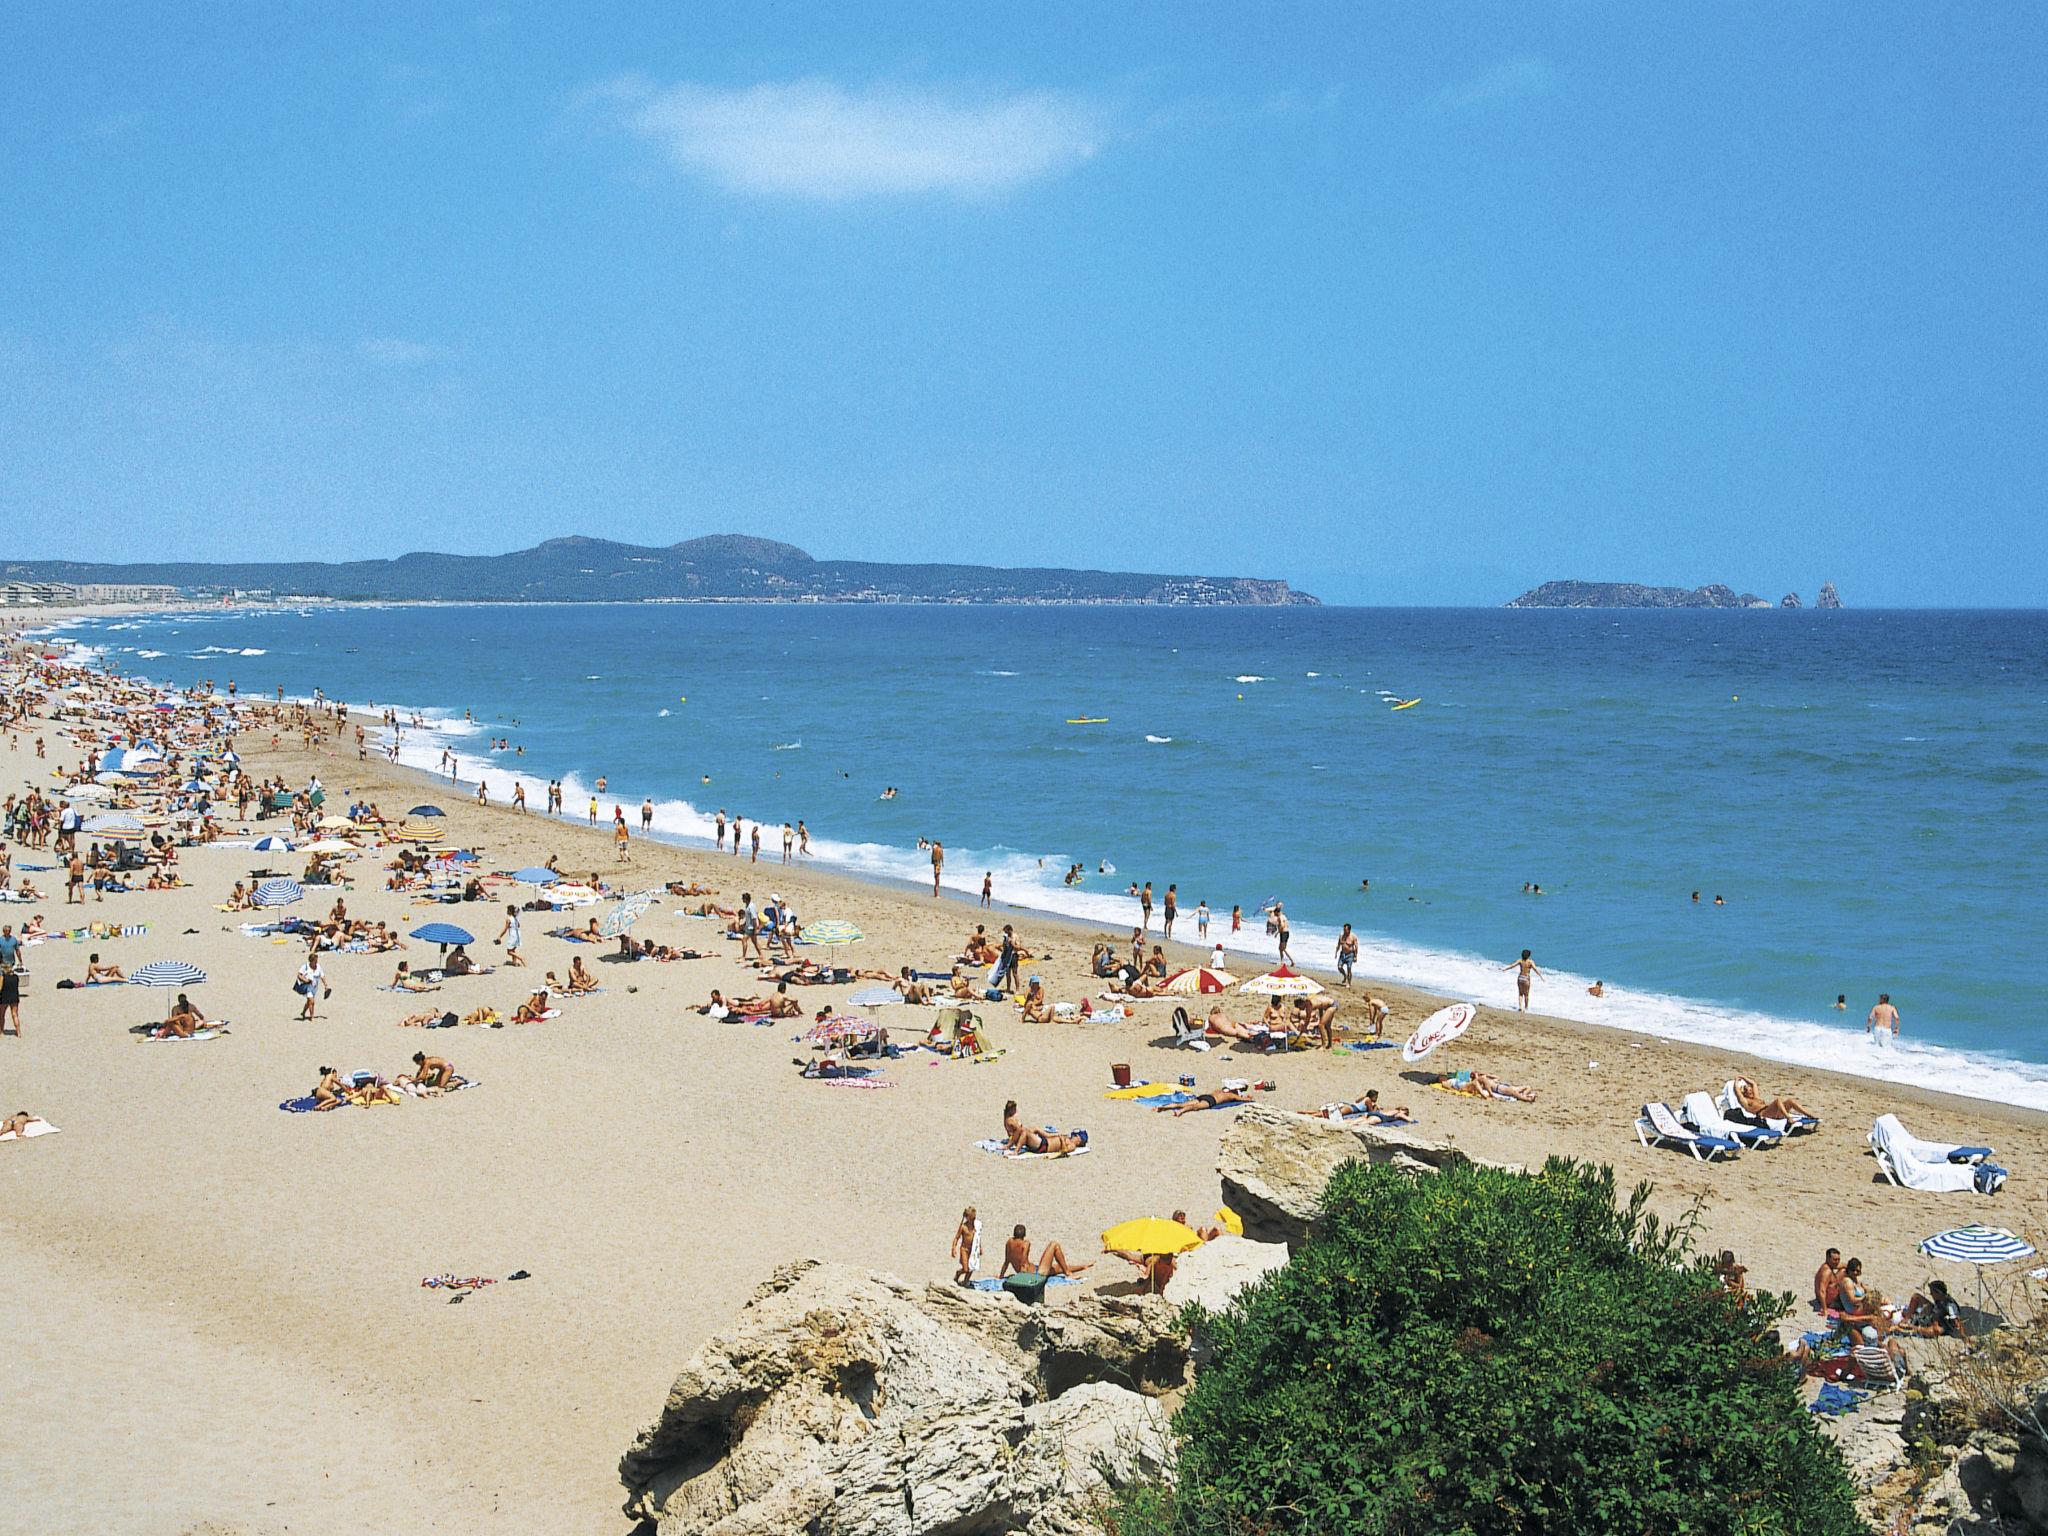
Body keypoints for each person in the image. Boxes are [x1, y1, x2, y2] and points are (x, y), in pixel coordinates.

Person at [1000, 1223, 1091, 1280]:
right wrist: (1025, 1280)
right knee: (1054, 1245)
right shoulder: (1025, 1244)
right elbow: (1023, 1263)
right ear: (1024, 1235)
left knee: (1058, 1268)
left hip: (1032, 1271)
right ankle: (1068, 1274)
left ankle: (1083, 1267)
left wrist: (1001, 1276)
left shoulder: (1009, 1242)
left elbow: (1006, 1262)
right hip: (1036, 1274)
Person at [1731, 1076, 1817, 1123]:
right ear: (1744, 1093)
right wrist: (1736, 1081)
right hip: (1763, 1114)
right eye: (1747, 1091)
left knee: (1791, 1101)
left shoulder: (1756, 1097)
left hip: (1773, 1112)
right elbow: (1737, 1091)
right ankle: (1788, 1118)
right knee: (1778, 1100)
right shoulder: (1746, 1101)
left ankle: (1809, 1115)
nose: (1750, 1091)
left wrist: (1742, 1077)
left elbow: (1754, 1084)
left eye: (1750, 1090)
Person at [1158, 1087, 1254, 1116]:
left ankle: (1163, 1107)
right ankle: (1180, 1111)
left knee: (1182, 1104)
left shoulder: (1219, 1090)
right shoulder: (1231, 1095)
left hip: (1205, 1096)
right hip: (1211, 1100)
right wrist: (1248, 1098)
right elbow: (1243, 1099)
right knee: (1195, 1107)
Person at [951, 1206, 980, 1286]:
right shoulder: (963, 1227)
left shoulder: (976, 1227)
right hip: (964, 1249)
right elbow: (956, 1238)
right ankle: (958, 1273)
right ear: (968, 1218)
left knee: (972, 1267)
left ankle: (965, 1281)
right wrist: (953, 1248)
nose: (973, 1220)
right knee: (965, 1268)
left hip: (973, 1249)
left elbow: (977, 1237)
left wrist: (980, 1248)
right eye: (972, 1218)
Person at [296, 952, 329, 1021]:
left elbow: (322, 976)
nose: (316, 962)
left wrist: (325, 985)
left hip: (315, 988)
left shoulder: (318, 966)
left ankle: (303, 1012)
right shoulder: (305, 966)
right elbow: (299, 975)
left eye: (317, 960)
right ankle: (312, 1017)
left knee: (309, 1001)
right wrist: (305, 980)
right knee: (312, 1001)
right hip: (307, 987)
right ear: (311, 961)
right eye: (315, 961)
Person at [1814, 1249, 1844, 1313]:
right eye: (1835, 1260)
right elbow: (1822, 1290)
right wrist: (1825, 1309)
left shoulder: (1825, 1265)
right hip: (1829, 1302)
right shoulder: (1827, 1272)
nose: (1837, 1262)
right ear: (1828, 1258)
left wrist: (1850, 1266)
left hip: (1823, 1298)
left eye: (1838, 1259)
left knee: (1843, 1271)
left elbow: (1840, 1265)